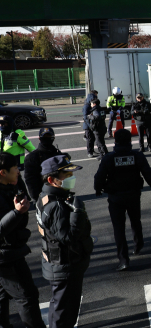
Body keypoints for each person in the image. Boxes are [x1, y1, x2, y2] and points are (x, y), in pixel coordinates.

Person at [37, 155, 93, 328]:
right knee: (65, 314)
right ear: (51, 180)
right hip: (65, 265)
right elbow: (69, 237)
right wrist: (78, 213)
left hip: (59, 264)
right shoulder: (56, 205)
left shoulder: (47, 197)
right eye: (66, 175)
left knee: (59, 308)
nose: (71, 178)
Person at [94, 129, 151, 271]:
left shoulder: (108, 158)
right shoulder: (137, 156)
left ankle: (123, 259)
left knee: (118, 228)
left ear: (115, 141)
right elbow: (148, 174)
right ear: (130, 141)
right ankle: (138, 244)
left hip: (115, 197)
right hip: (133, 194)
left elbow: (99, 177)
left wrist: (98, 189)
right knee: (136, 221)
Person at [0, 153, 46, 328]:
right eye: (14, 169)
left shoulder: (12, 184)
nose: (18, 172)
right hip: (6, 256)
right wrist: (17, 212)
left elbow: (25, 197)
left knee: (3, 295)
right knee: (27, 296)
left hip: (12, 250)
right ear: (2, 172)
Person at [24, 127, 66, 203]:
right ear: (39, 138)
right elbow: (31, 181)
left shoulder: (58, 154)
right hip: (42, 195)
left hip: (60, 193)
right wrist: (37, 198)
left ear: (53, 138)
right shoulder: (32, 157)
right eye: (45, 137)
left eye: (49, 137)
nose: (47, 139)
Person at [0, 115, 35, 201]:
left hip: (14, 165)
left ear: (10, 124)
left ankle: (25, 198)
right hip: (2, 164)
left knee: (16, 181)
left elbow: (31, 148)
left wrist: (37, 159)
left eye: (4, 124)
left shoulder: (18, 134)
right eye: (0, 124)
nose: (1, 126)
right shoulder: (0, 134)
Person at [83, 91, 98, 157]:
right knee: (89, 139)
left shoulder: (89, 104)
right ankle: (89, 152)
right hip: (88, 125)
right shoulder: (86, 106)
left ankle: (92, 150)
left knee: (92, 138)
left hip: (91, 125)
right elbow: (85, 117)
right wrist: (90, 126)